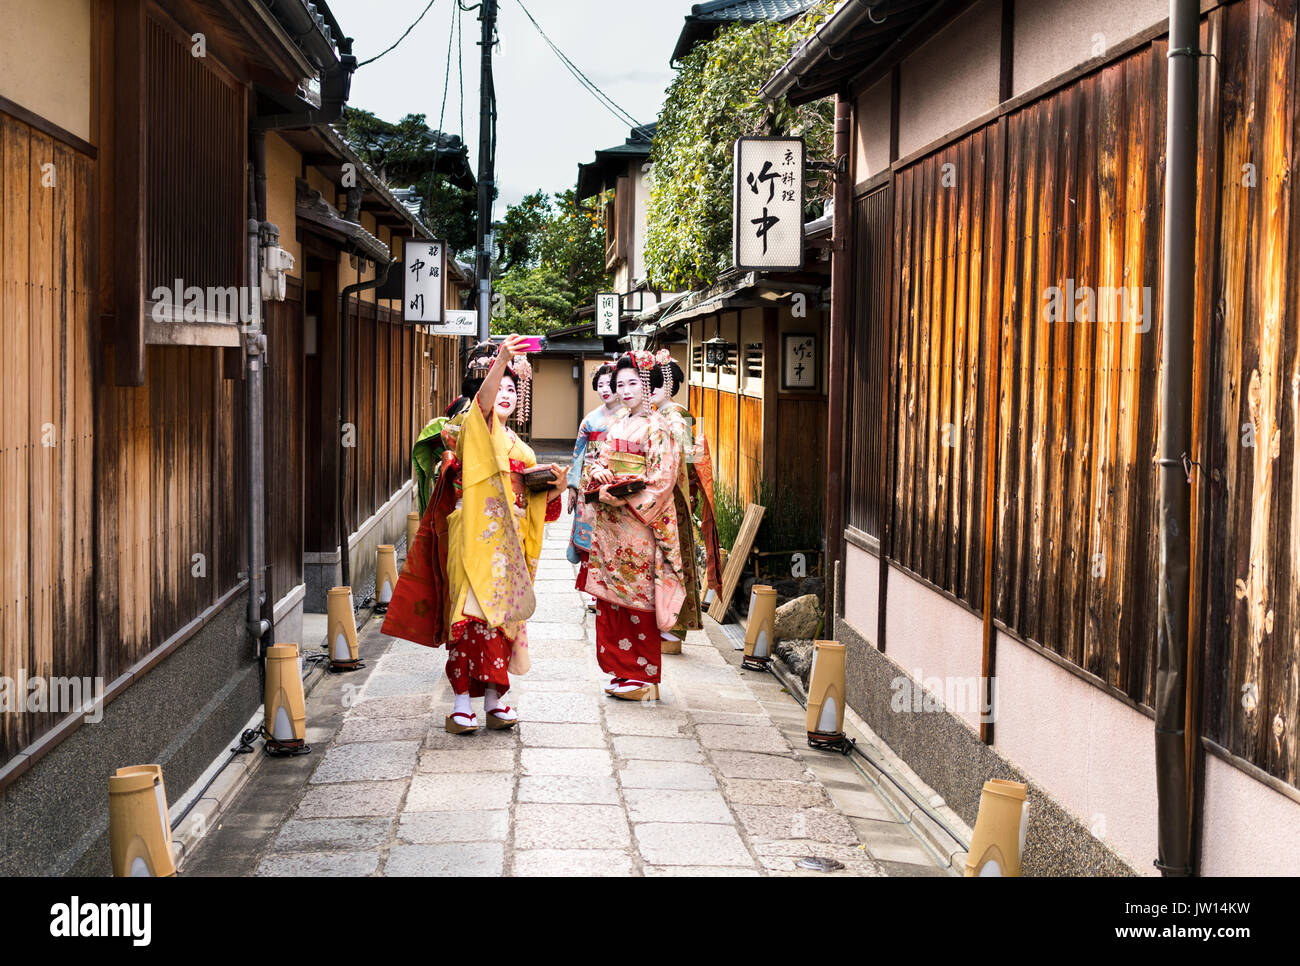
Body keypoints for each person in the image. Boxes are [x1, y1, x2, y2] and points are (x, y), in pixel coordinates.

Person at [382, 335, 565, 733]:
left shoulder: (523, 450)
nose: (505, 394)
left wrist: (556, 489)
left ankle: (496, 701)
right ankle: (462, 703)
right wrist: (502, 361)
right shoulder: (468, 427)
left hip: (510, 539)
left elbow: (540, 509)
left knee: (501, 620)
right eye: (499, 387)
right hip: (471, 533)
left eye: (513, 389)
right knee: (467, 616)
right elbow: (481, 406)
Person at [581, 351, 687, 700]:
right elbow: (597, 460)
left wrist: (622, 494)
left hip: (638, 526)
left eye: (631, 382)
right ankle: (621, 669)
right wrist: (598, 474)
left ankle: (642, 677)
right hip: (612, 528)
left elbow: (661, 480)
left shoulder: (660, 427)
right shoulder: (617, 423)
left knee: (638, 599)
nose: (624, 390)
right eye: (619, 383)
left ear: (646, 383)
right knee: (611, 600)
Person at [648, 351, 722, 649]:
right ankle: (668, 627)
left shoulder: (677, 415)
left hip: (674, 498)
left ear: (668, 385)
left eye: (655, 384)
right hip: (669, 495)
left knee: (673, 560)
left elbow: (691, 458)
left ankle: (674, 629)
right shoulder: (665, 414)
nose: (649, 390)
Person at [566, 363, 619, 610]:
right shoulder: (590, 420)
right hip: (589, 482)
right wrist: (573, 487)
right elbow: (578, 454)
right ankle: (592, 591)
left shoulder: (629, 418)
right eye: (599, 385)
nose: (604, 389)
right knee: (589, 537)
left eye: (609, 384)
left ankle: (612, 590)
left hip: (615, 481)